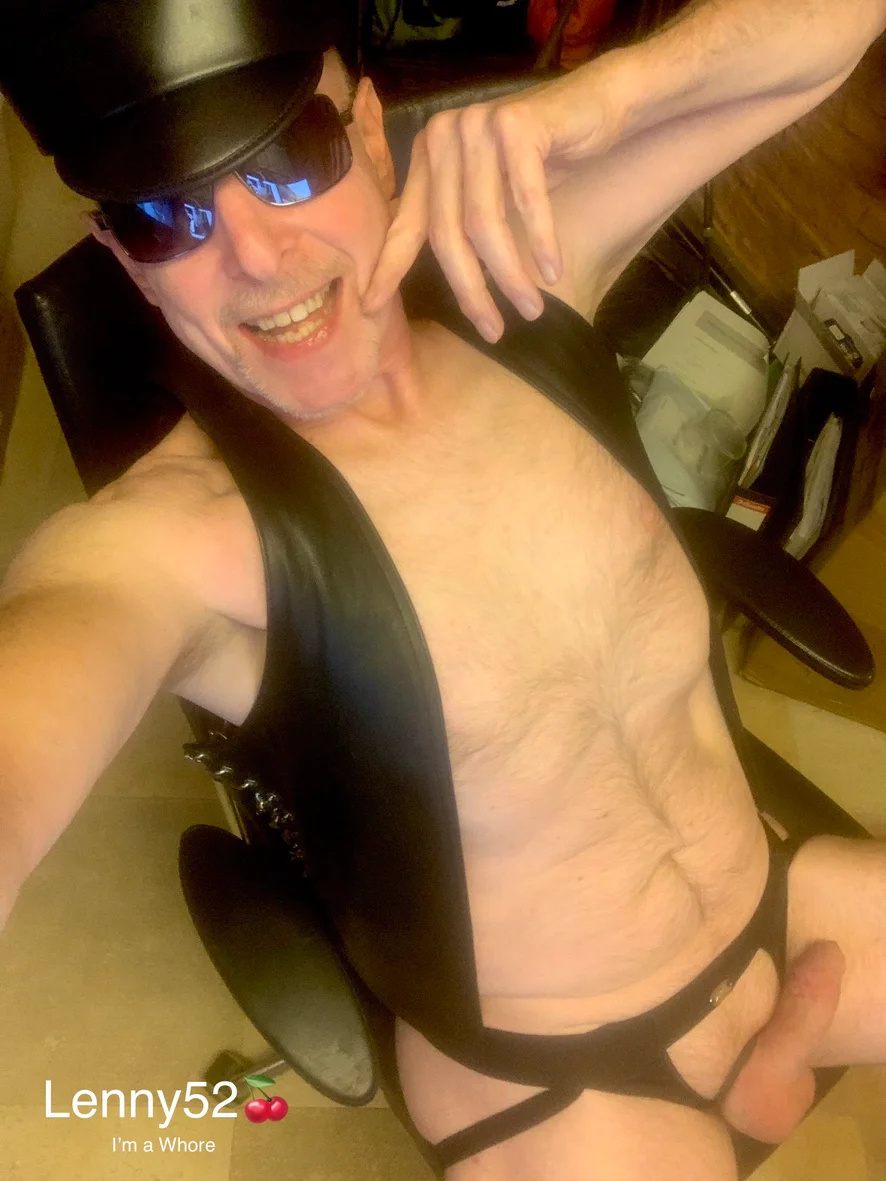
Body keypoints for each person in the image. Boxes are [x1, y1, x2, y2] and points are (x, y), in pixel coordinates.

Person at [1, 0, 885, 1177]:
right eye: (164, 218)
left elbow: (837, 27)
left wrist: (612, 92)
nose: (255, 255)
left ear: (371, 133)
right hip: (560, 1077)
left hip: (776, 894)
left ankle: (772, 1040)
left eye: (289, 155)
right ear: (123, 261)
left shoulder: (522, 278)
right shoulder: (174, 541)